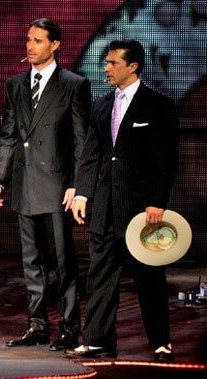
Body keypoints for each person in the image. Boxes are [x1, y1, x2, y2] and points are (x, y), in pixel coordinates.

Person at [64, 40, 179, 362]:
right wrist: (83, 192)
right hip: (105, 206)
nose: (107, 68)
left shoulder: (158, 105)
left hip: (142, 209)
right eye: (107, 62)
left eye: (113, 62)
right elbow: (92, 154)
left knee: (148, 276)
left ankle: (161, 341)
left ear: (133, 66)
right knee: (100, 275)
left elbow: (166, 159)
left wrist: (157, 201)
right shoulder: (101, 105)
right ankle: (99, 340)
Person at [0, 18, 91, 351]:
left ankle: (69, 327)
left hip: (59, 186)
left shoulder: (73, 85)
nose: (30, 46)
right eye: (28, 39)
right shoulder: (15, 85)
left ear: (55, 45)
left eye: (38, 40)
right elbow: (8, 136)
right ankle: (37, 325)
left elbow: (81, 141)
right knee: (31, 262)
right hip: (24, 183)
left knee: (63, 261)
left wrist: (78, 185)